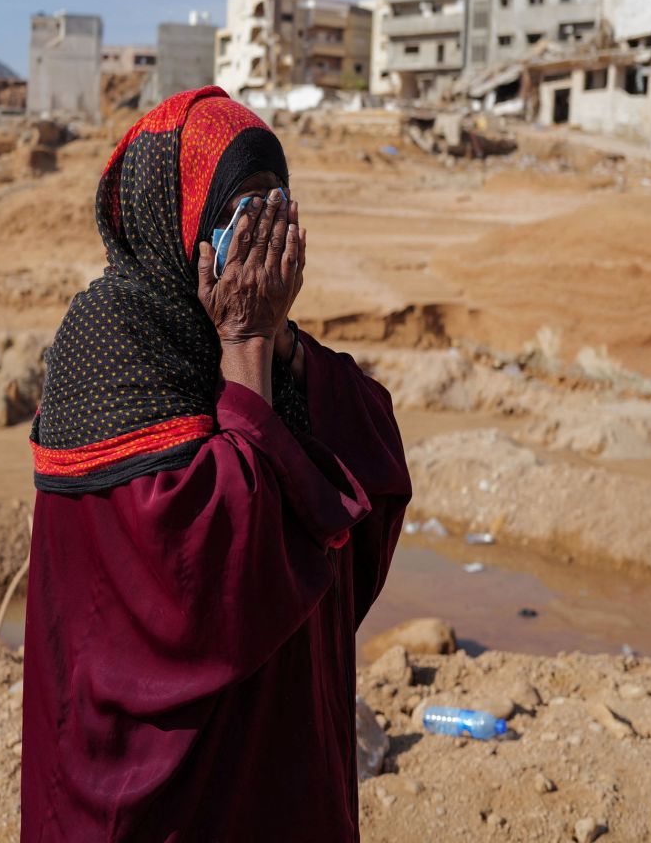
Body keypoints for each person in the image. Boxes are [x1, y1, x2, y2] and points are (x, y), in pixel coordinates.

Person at [21, 87, 412, 841]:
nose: (261, 241)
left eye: (277, 211)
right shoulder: (108, 349)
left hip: (281, 766)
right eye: (242, 216)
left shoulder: (265, 337)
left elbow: (372, 451)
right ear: (180, 225)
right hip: (157, 790)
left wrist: (278, 345)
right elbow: (206, 574)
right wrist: (244, 349)